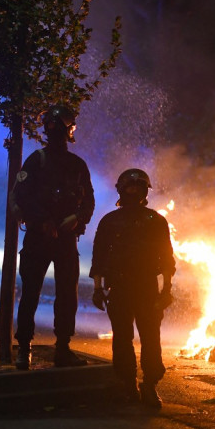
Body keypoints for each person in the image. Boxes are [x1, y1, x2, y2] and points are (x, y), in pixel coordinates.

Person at [11, 104, 95, 370]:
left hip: (61, 238)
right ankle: (34, 348)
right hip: (41, 237)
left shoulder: (74, 164)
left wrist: (76, 219)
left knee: (58, 295)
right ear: (69, 130)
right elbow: (22, 196)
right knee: (37, 294)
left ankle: (41, 350)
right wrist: (44, 221)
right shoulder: (39, 160)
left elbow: (88, 202)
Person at [89, 168, 175, 408]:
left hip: (147, 288)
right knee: (122, 339)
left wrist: (166, 289)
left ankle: (149, 385)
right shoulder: (110, 221)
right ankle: (128, 385)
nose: (134, 191)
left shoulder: (156, 220)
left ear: (145, 191)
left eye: (139, 187)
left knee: (150, 338)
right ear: (121, 189)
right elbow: (99, 258)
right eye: (130, 186)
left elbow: (167, 258)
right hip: (119, 287)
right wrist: (98, 288)